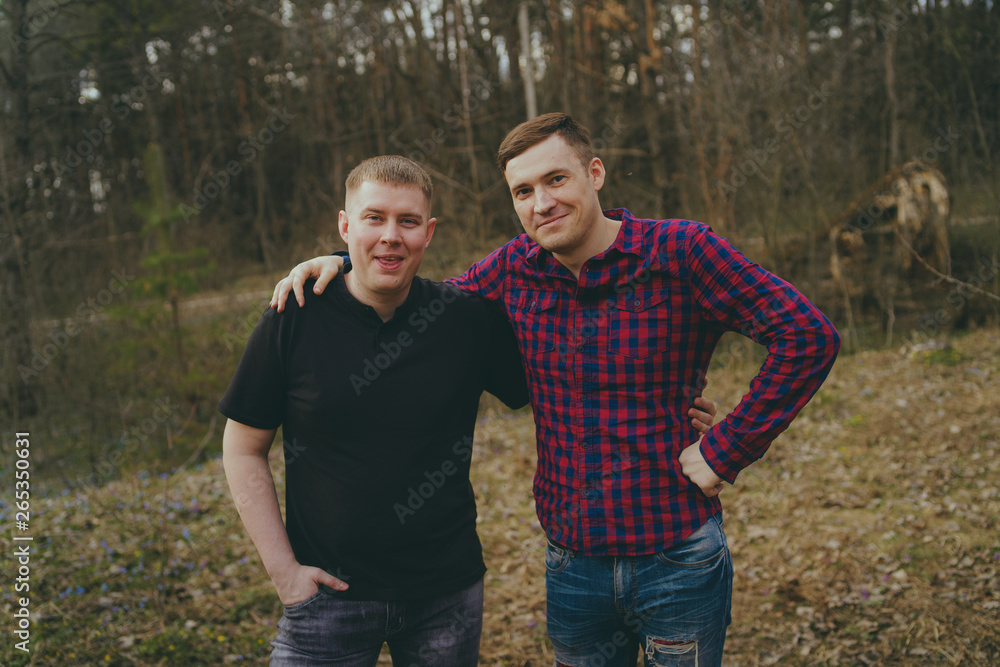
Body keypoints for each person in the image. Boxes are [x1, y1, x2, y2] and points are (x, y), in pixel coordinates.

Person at [270, 113, 840, 666]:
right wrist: (347, 265)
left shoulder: (681, 252)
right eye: (522, 191)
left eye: (556, 179)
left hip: (677, 554)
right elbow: (425, 304)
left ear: (594, 173)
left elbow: (807, 336)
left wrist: (726, 449)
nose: (541, 203)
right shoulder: (514, 270)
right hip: (573, 565)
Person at [222, 153, 723, 666]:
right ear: (345, 225)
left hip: (446, 598)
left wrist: (669, 401)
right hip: (325, 599)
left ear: (429, 232)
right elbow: (242, 449)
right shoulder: (294, 316)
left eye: (408, 221)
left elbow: (567, 378)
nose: (391, 235)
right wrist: (285, 573)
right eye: (374, 218)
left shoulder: (461, 318)